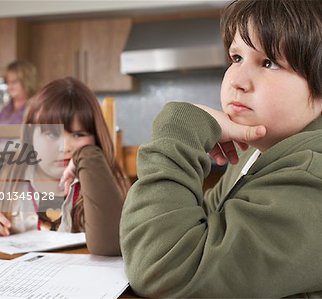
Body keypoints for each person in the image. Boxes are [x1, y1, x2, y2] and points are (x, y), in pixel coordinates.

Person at [120, 0, 322, 297]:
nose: (237, 81)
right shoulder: (254, 156)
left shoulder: (311, 180)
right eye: (236, 58)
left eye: (269, 63)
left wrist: (181, 130)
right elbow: (162, 231)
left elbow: (161, 267)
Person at [0, 77, 129, 256]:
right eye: (51, 133)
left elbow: (108, 246)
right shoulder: (1, 172)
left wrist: (89, 156)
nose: (65, 147)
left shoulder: (109, 181)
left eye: (79, 134)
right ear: (30, 136)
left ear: (96, 138)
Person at [0, 60, 38, 125]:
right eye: (7, 82)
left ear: (27, 82)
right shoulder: (3, 108)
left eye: (14, 82)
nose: (9, 87)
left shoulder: (35, 108)